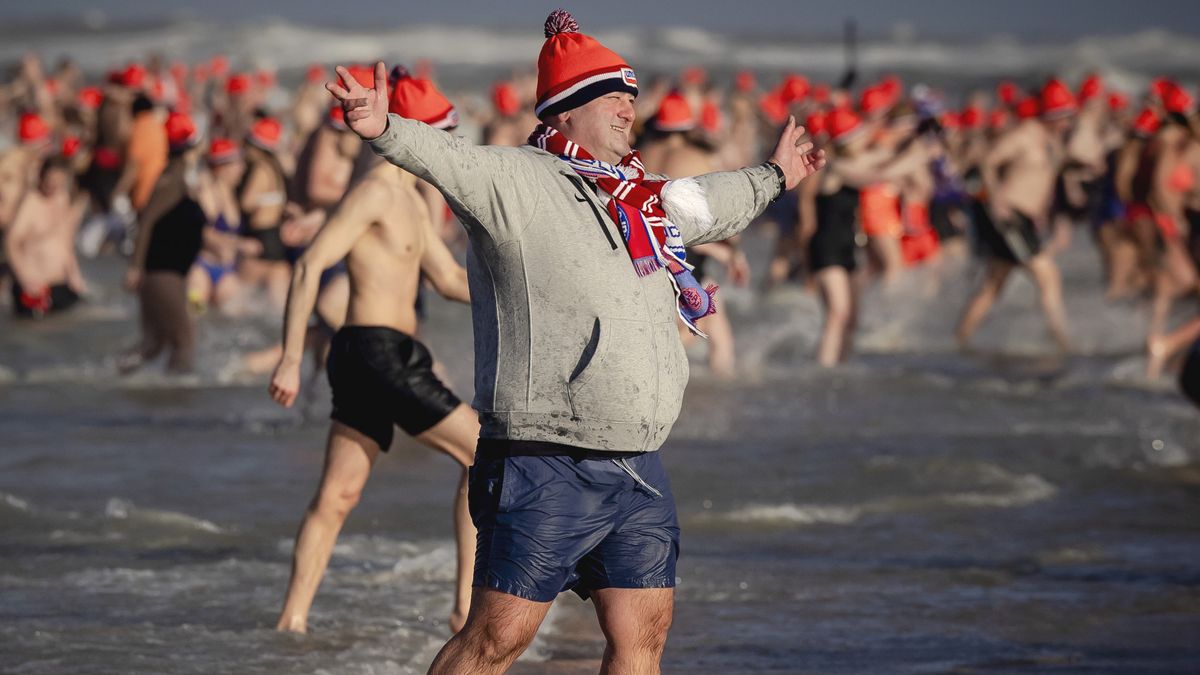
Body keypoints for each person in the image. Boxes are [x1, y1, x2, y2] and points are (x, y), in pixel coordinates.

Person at [326, 10, 824, 673]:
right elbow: (449, 158)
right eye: (611, 96)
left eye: (631, 96)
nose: (628, 108)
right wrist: (383, 126)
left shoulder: (641, 199)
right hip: (544, 457)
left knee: (643, 638)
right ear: (565, 110)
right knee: (496, 639)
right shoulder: (515, 182)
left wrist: (776, 175)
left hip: (637, 460)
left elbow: (708, 200)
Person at [269, 72, 478, 635]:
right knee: (484, 455)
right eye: (442, 135)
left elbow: (448, 281)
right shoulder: (378, 190)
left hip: (374, 353)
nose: (447, 148)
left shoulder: (408, 198)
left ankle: (290, 624)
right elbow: (310, 265)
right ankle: (465, 610)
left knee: (338, 495)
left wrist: (526, 286)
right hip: (378, 351)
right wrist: (290, 357)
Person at [956, 81, 1075, 352]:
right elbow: (987, 160)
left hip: (1026, 218)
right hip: (1010, 215)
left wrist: (1047, 214)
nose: (1068, 123)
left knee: (993, 285)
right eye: (1065, 116)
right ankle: (1061, 340)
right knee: (1048, 275)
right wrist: (996, 196)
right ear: (1053, 115)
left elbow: (1044, 179)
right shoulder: (1024, 135)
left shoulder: (1050, 140)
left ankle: (960, 338)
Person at [120, 111, 205, 373]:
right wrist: (135, 267)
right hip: (161, 271)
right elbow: (146, 222)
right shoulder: (171, 180)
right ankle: (179, 392)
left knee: (155, 343)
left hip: (168, 271)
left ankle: (115, 376)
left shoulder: (180, 178)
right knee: (184, 341)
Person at [5, 155, 88, 318]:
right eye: (51, 180)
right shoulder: (30, 203)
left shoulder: (62, 198)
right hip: (33, 285)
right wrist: (24, 277)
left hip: (61, 283)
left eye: (60, 181)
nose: (54, 185)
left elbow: (65, 240)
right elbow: (11, 242)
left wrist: (74, 273)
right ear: (42, 176)